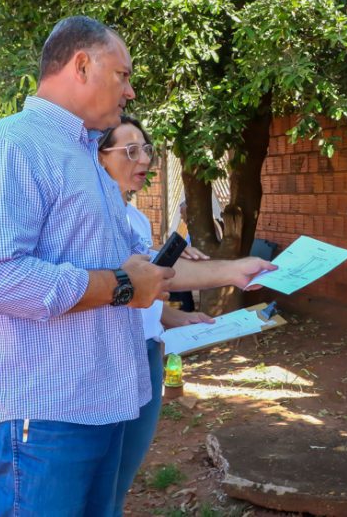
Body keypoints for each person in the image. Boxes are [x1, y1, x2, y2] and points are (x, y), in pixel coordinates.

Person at [0, 15, 275, 516]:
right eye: (122, 75)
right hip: (42, 413)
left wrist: (233, 270)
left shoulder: (84, 158)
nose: (128, 92)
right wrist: (122, 286)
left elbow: (144, 269)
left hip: (95, 402)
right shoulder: (11, 147)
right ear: (82, 65)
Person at [97, 114, 213, 510]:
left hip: (149, 353)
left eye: (146, 149)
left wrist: (182, 319)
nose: (143, 159)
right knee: (101, 474)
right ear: (99, 157)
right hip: (112, 357)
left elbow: (146, 303)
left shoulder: (138, 220)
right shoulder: (92, 222)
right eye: (130, 150)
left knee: (124, 472)